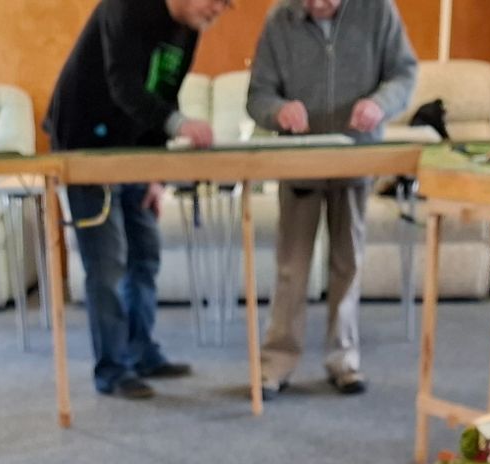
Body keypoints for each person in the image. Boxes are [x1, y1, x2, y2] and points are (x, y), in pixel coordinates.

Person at [46, 0, 232, 399]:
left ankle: (140, 351)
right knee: (107, 263)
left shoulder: (189, 27)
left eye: (227, 3)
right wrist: (180, 125)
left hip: (135, 148)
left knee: (144, 255)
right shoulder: (126, 6)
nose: (219, 9)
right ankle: (112, 368)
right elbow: (124, 85)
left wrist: (156, 173)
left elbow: (165, 92)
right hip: (85, 143)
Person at [248, 0, 416, 396]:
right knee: (291, 269)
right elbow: (258, 95)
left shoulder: (378, 11)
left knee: (348, 263)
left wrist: (379, 104)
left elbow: (404, 75)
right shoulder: (279, 19)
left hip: (356, 158)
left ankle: (344, 359)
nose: (316, 5)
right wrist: (278, 111)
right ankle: (276, 363)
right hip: (300, 162)